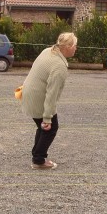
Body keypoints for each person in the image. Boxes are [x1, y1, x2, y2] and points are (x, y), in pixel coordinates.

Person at [21, 32, 77, 169]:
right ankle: (39, 161)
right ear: (68, 47)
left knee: (42, 128)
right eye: (75, 45)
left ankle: (37, 155)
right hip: (38, 98)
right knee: (50, 128)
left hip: (29, 92)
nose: (76, 48)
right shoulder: (59, 66)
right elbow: (52, 94)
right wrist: (47, 118)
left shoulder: (48, 51)